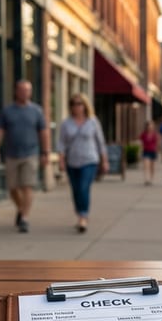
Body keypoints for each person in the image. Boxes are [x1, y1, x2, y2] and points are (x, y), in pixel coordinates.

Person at [0, 80, 49, 233]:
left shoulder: (37, 111)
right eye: (22, 90)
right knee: (12, 188)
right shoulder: (7, 111)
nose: (25, 93)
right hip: (11, 154)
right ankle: (21, 208)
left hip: (30, 153)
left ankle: (24, 218)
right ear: (16, 91)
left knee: (27, 186)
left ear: (30, 93)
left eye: (28, 90)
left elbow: (43, 133)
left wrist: (45, 152)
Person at [58, 94, 108, 233]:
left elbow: (100, 142)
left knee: (83, 187)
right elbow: (61, 143)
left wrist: (104, 160)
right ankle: (79, 212)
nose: (77, 107)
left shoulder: (93, 122)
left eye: (79, 104)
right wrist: (61, 160)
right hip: (72, 161)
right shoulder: (66, 123)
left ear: (85, 105)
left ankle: (83, 217)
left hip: (90, 160)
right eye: (73, 104)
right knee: (75, 190)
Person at [139, 121, 159, 186]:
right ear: (146, 127)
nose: (150, 127)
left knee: (152, 166)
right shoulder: (143, 134)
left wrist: (157, 151)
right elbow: (141, 143)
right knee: (146, 166)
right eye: (149, 126)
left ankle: (151, 179)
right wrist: (140, 151)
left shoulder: (155, 134)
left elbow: (157, 144)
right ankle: (146, 179)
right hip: (146, 151)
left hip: (153, 151)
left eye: (151, 126)